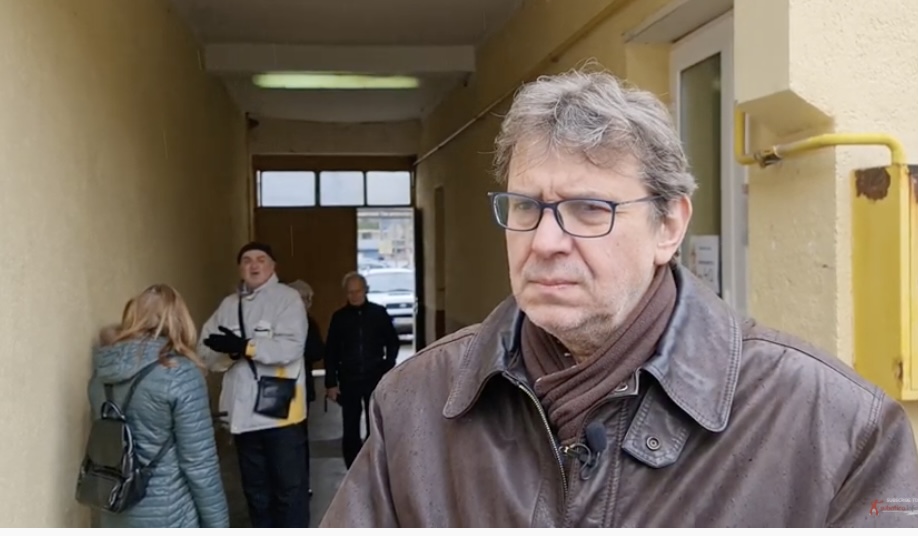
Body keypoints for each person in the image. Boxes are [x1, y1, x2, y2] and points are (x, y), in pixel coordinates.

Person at [320, 68, 918, 527]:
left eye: (589, 209)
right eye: (526, 206)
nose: (544, 242)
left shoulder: (839, 429)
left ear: (668, 226)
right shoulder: (416, 404)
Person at [88, 284, 229, 528]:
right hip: (169, 515)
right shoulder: (181, 375)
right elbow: (200, 465)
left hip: (114, 508)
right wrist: (219, 526)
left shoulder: (102, 374)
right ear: (179, 320)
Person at [198, 242, 310, 528]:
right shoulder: (228, 306)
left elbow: (291, 347)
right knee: (256, 493)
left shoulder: (287, 299)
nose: (254, 265)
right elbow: (204, 352)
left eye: (261, 259)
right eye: (247, 260)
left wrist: (246, 347)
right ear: (240, 268)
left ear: (273, 266)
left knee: (288, 490)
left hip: (280, 410)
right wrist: (230, 353)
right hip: (242, 414)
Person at [324, 271, 400, 469]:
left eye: (358, 291)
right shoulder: (339, 318)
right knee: (350, 426)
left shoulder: (378, 313)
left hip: (374, 376)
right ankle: (352, 467)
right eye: (350, 292)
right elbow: (331, 351)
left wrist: (387, 366)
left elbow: (393, 342)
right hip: (349, 378)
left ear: (366, 290)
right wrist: (331, 382)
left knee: (375, 423)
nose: (354, 295)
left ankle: (374, 464)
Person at [286, 279, 326, 497]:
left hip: (302, 387)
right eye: (304, 298)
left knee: (299, 438)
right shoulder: (280, 321)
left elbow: (317, 352)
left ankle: (302, 483)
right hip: (280, 388)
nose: (307, 303)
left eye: (309, 299)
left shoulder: (309, 322)